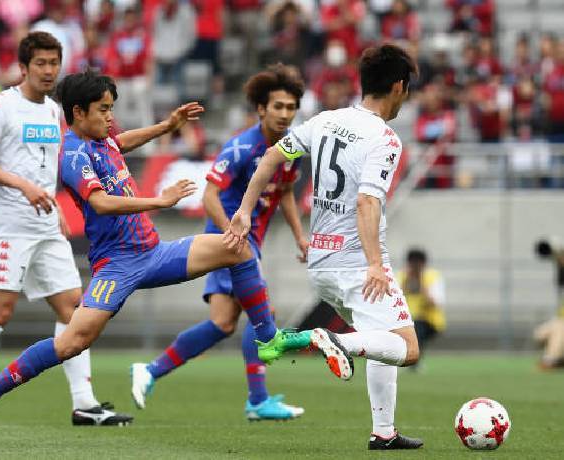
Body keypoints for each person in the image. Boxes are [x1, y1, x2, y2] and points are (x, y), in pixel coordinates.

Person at [0, 69, 313, 438]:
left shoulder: (102, 139)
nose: (110, 118)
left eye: (111, 108)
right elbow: (102, 202)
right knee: (72, 342)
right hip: (117, 266)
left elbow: (120, 142)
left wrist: (166, 126)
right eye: (103, 110)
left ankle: (268, 338)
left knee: (238, 249)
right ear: (78, 113)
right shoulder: (73, 154)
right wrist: (160, 199)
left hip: (154, 252)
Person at [224, 44, 424, 450]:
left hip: (321, 261)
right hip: (356, 262)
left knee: (380, 336)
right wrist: (374, 265)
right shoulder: (385, 139)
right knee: (406, 347)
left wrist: (245, 210)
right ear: (399, 87)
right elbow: (368, 201)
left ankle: (383, 432)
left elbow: (269, 159)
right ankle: (333, 341)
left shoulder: (327, 120)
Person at [0, 32, 132, 428]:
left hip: (46, 224)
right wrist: (24, 186)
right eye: (41, 63)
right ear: (23, 67)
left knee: (74, 309)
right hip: (10, 225)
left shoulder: (52, 111)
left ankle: (84, 403)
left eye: (54, 63)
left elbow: (49, 164)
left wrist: (55, 203)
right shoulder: (2, 106)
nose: (49, 71)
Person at [130, 64, 309, 420]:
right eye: (278, 107)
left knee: (223, 323)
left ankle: (150, 370)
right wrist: (232, 233)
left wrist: (300, 237)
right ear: (261, 109)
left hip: (244, 242)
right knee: (265, 317)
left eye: (291, 107)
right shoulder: (241, 146)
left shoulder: (290, 149)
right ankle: (258, 400)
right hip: (230, 241)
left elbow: (285, 191)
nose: (285, 114)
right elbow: (210, 195)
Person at [398, 248, 446, 367]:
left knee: (417, 326)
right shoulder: (401, 276)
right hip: (404, 321)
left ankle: (413, 360)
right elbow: (394, 298)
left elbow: (436, 303)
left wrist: (421, 283)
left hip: (430, 321)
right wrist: (406, 282)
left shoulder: (433, 277)